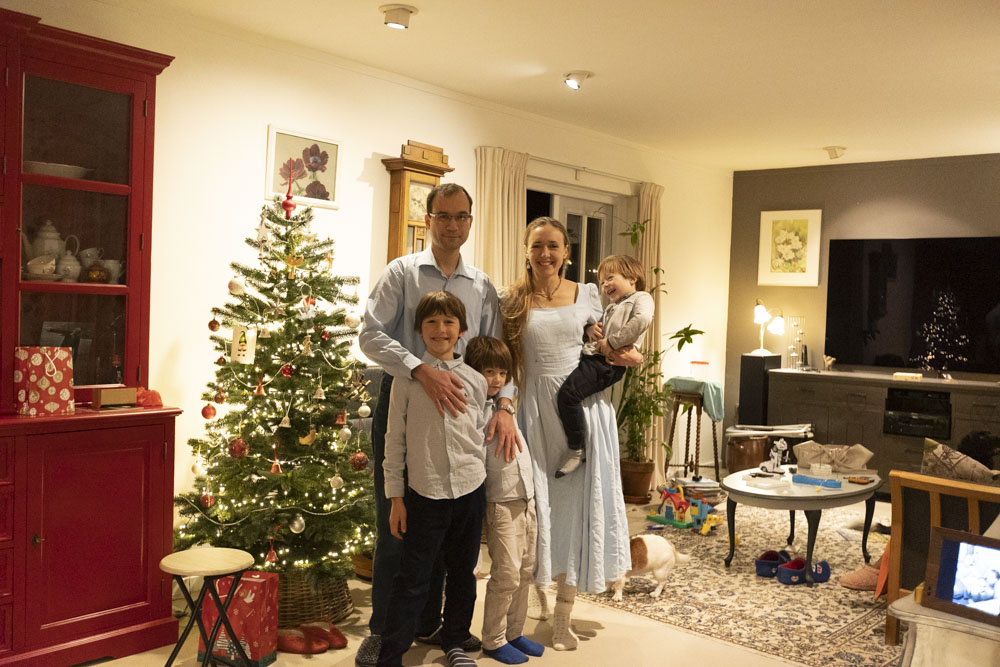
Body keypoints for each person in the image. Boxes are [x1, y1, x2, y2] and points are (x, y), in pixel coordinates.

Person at [357, 182, 519, 667]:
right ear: (428, 219)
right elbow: (370, 335)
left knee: (454, 533)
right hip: (408, 400)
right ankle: (383, 630)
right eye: (443, 216)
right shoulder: (402, 272)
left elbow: (494, 354)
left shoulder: (482, 285)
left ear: (470, 221)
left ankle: (440, 626)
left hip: (464, 409)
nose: (452, 225)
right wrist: (419, 369)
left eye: (460, 216)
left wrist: (504, 404)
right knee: (398, 526)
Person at [500, 216, 635, 651]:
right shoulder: (511, 300)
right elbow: (505, 361)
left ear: (566, 252)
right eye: (537, 245)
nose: (546, 254)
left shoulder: (588, 294)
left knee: (577, 512)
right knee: (537, 512)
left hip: (581, 412)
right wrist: (504, 406)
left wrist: (624, 353)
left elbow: (615, 341)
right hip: (533, 416)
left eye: (554, 246)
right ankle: (538, 593)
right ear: (526, 250)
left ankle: (563, 616)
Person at [379, 292, 489, 667]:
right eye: (431, 322)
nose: (440, 329)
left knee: (463, 573)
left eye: (448, 322)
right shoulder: (405, 381)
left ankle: (455, 640)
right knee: (412, 578)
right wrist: (396, 498)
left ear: (462, 330)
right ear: (419, 329)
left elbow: (479, 434)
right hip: (424, 494)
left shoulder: (476, 380)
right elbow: (394, 441)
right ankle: (391, 653)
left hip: (470, 489)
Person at [464, 336, 544, 665]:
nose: (497, 380)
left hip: (526, 497)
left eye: (501, 373)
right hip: (500, 501)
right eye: (489, 372)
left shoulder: (505, 405)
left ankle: (514, 632)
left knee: (526, 570)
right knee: (507, 573)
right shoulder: (473, 410)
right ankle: (494, 639)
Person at [555, 254, 654, 477]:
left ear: (632, 278)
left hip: (607, 364)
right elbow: (597, 332)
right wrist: (591, 330)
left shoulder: (642, 297)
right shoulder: (612, 307)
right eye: (601, 282)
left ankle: (576, 449)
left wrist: (612, 342)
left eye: (610, 278)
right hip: (595, 357)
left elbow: (642, 320)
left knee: (568, 396)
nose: (605, 285)